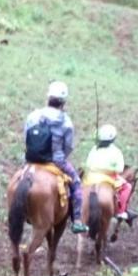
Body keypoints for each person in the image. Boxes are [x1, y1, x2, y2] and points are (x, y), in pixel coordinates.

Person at [23, 81, 88, 234]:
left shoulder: (34, 115)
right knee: (76, 183)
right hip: (56, 160)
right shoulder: (66, 122)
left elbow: (26, 136)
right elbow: (68, 146)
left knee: (19, 177)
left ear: (48, 97)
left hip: (31, 158)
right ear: (63, 102)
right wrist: (60, 157)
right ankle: (77, 220)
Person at [85, 124, 133, 221]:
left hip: (91, 177)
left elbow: (88, 164)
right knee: (127, 187)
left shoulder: (94, 149)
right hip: (109, 177)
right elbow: (119, 169)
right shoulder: (116, 151)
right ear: (113, 139)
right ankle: (121, 211)